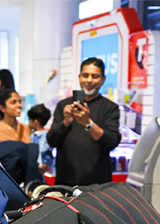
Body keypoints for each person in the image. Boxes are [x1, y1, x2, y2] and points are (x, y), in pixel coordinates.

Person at [46, 57, 121, 186]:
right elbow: (51, 140)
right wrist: (66, 122)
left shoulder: (110, 108)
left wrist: (88, 123)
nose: (89, 80)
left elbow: (111, 142)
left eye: (95, 76)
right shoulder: (64, 105)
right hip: (65, 182)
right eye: (85, 76)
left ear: (103, 79)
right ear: (79, 77)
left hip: (98, 184)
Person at [27, 103, 54, 175]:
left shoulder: (45, 136)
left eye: (30, 120)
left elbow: (40, 150)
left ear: (35, 121)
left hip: (39, 167)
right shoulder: (32, 134)